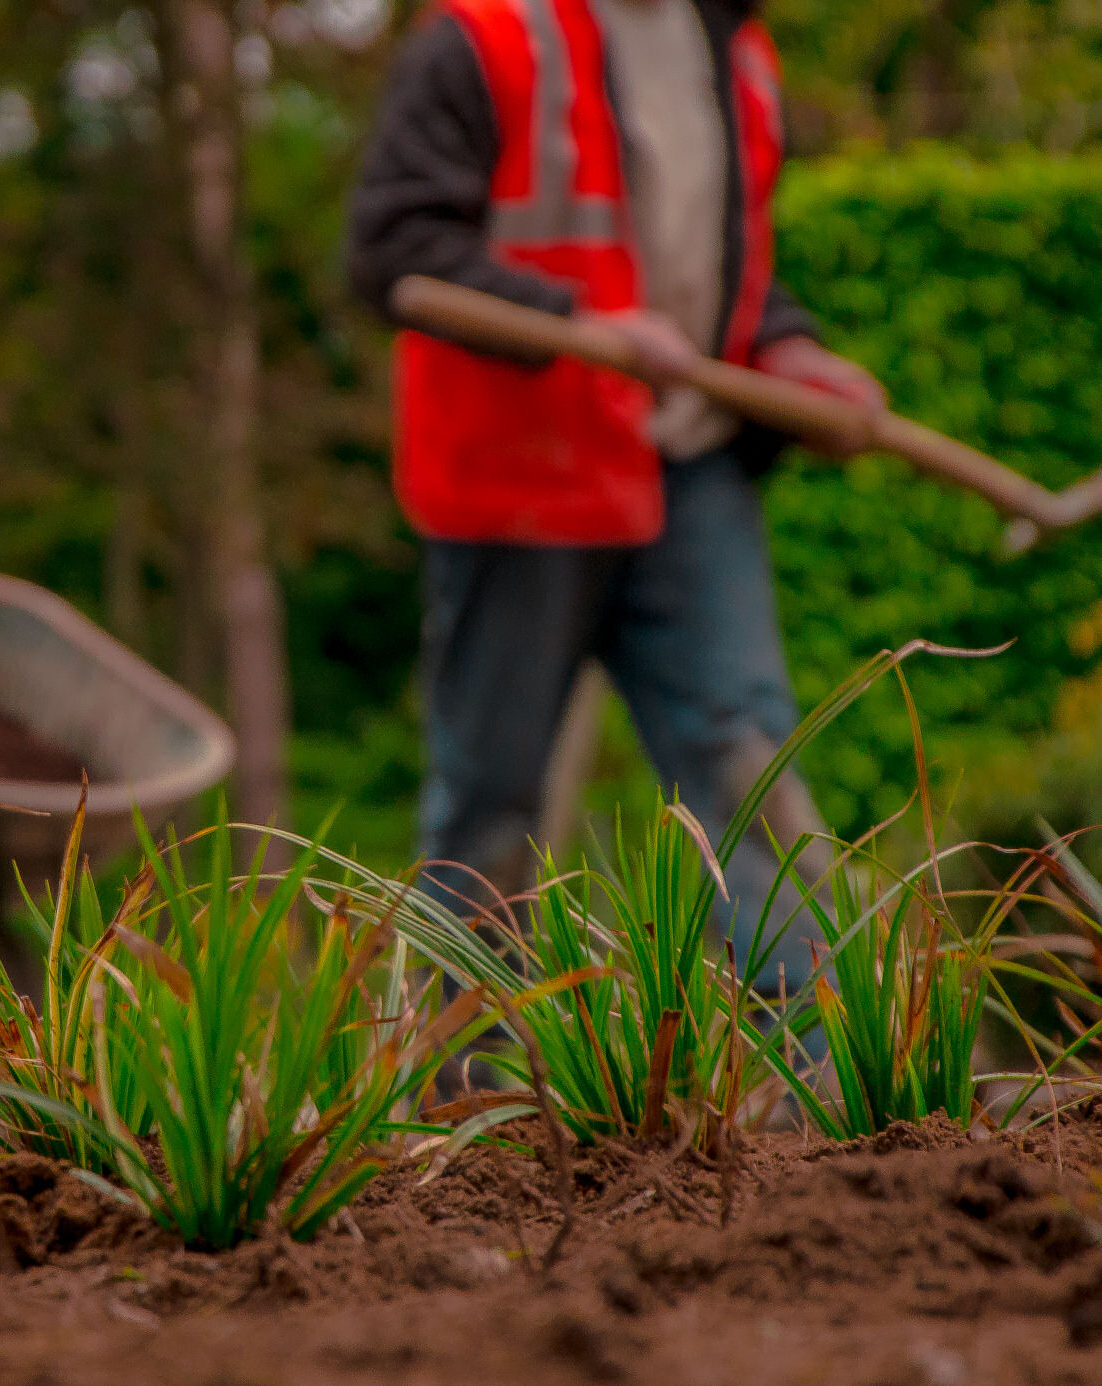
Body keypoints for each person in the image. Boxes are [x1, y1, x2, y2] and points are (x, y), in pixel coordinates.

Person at [345, 0, 885, 994]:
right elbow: (393, 246)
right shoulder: (490, 38)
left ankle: (834, 1087)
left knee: (747, 764)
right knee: (490, 805)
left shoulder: (734, 46)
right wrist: (578, 322)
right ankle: (462, 1102)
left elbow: (715, 264)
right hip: (527, 476)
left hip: (693, 470)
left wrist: (786, 345)